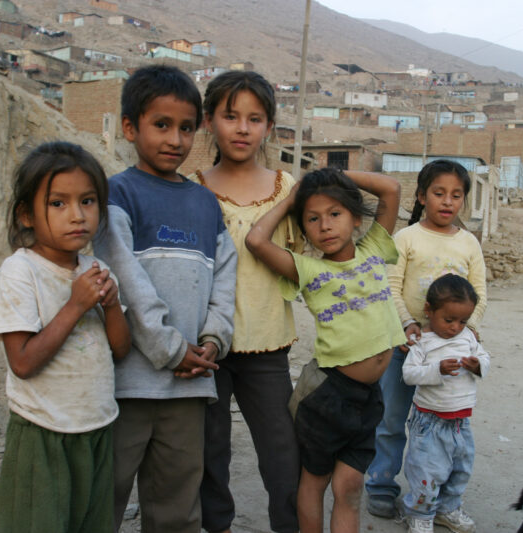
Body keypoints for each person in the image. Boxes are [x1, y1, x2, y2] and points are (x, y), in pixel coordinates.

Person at [92, 65, 237, 533]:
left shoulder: (204, 203)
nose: (175, 139)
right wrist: (170, 349)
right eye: (161, 125)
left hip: (189, 384)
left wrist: (214, 339)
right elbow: (125, 280)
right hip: (128, 384)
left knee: (177, 501)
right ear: (130, 127)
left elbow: (224, 279)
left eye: (186, 128)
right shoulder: (117, 194)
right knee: (104, 494)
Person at [246, 167, 405, 533]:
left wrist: (331, 174)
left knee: (349, 487)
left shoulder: (374, 250)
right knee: (314, 482)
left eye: (335, 214)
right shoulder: (308, 269)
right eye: (312, 219)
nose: (325, 226)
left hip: (369, 397)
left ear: (355, 218)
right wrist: (291, 199)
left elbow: (391, 188)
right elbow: (256, 241)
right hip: (328, 396)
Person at [0, 141, 131, 533]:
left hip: (96, 427)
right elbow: (23, 363)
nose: (77, 216)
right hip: (43, 432)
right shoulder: (20, 273)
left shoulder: (96, 269)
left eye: (87, 201)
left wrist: (112, 305)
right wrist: (75, 307)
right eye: (58, 203)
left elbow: (121, 349)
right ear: (26, 214)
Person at [190, 70, 303, 533]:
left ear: (269, 127)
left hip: (268, 345)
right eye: (230, 116)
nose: (241, 128)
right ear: (208, 122)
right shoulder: (191, 188)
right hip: (205, 349)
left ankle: (290, 525)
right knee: (208, 453)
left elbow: (305, 264)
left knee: (284, 451)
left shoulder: (288, 188)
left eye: (254, 118)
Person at [365, 159, 487, 519]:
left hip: (448, 353)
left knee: (443, 423)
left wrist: (469, 330)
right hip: (406, 346)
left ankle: (437, 493)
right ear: (421, 196)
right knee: (391, 418)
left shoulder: (468, 244)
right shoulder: (405, 239)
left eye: (456, 195)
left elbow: (479, 291)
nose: (447, 202)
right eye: (438, 193)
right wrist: (405, 325)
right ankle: (382, 485)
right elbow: (389, 286)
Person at [400, 274, 490, 533]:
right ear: (429, 310)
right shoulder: (422, 342)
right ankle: (420, 512)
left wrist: (478, 365)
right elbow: (409, 374)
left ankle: (447, 508)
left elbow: (484, 356)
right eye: (448, 320)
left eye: (462, 321)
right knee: (427, 471)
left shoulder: (468, 338)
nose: (455, 327)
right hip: (429, 421)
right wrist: (436, 369)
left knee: (460, 469)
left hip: (461, 421)